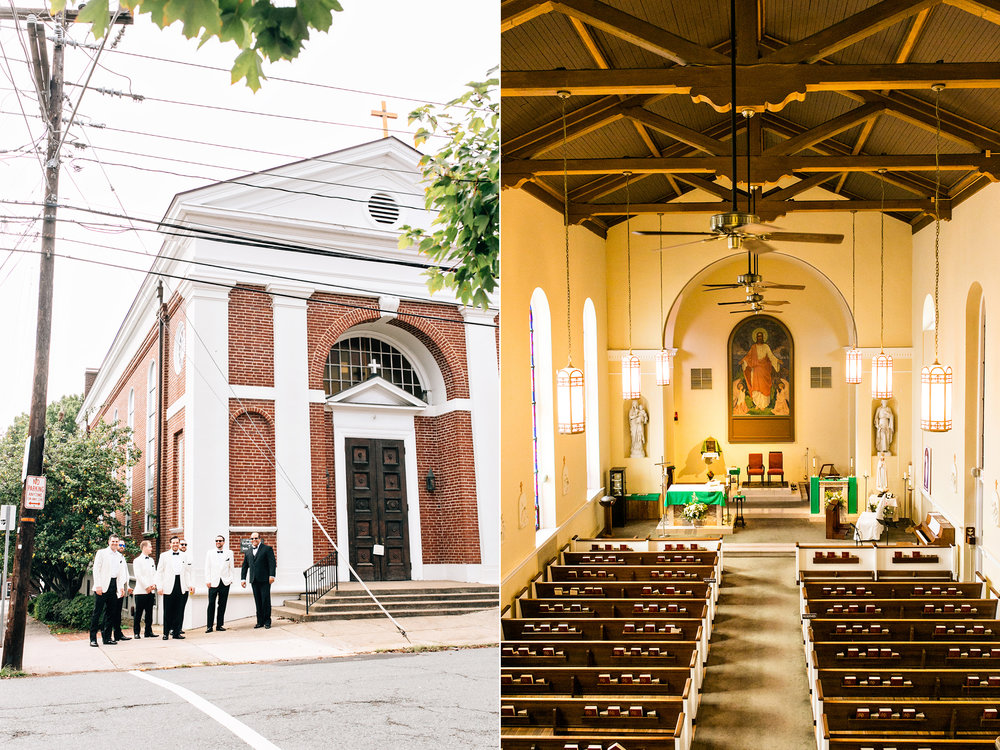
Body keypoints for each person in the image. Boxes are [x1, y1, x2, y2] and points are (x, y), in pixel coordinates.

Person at [89, 533, 128, 647]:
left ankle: (107, 638)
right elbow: (96, 569)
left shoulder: (120, 556)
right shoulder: (101, 553)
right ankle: (93, 639)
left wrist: (120, 587)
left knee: (110, 613)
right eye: (113, 542)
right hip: (102, 585)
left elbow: (120, 573)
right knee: (97, 612)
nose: (115, 544)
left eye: (117, 542)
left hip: (114, 586)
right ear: (109, 542)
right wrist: (98, 585)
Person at [156, 535, 194, 639]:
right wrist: (159, 586)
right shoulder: (164, 556)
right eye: (174, 543)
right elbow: (159, 572)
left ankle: (177, 632)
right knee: (168, 610)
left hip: (181, 585)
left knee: (179, 610)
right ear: (170, 544)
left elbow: (187, 572)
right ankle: (165, 633)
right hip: (168, 586)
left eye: (177, 543)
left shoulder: (184, 556)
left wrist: (190, 584)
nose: (175, 544)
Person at [241, 532, 276, 629]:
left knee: (265, 600)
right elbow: (245, 566)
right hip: (254, 580)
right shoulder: (248, 552)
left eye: (256, 538)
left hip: (265, 579)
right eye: (252, 539)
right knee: (258, 601)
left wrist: (272, 575)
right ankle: (259, 622)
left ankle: (267, 621)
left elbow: (272, 563)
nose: (254, 540)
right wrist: (243, 579)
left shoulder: (267, 549)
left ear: (260, 539)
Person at [740, 329, 781, 410]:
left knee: (764, 387)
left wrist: (777, 360)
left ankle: (763, 405)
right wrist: (743, 360)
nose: (759, 338)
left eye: (761, 336)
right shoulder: (753, 347)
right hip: (755, 370)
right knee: (756, 387)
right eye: (758, 336)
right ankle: (757, 404)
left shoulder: (766, 347)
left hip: (764, 370)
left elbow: (771, 356)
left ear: (763, 337)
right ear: (756, 337)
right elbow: (748, 356)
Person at [205, 534, 234, 633]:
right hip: (213, 582)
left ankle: (219, 625)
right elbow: (207, 568)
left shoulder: (229, 553)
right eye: (217, 541)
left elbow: (231, 567)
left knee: (222, 604)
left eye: (220, 541)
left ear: (224, 542)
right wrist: (207, 580)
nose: (218, 542)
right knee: (211, 604)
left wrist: (230, 579)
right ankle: (209, 626)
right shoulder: (210, 553)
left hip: (225, 582)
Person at [132, 540, 157, 639]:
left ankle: (148, 631)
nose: (151, 548)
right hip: (141, 591)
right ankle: (136, 632)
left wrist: (154, 584)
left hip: (151, 591)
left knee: (149, 613)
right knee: (138, 613)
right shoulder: (137, 561)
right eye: (150, 546)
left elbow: (154, 573)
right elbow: (138, 575)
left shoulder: (151, 560)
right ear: (144, 548)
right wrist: (146, 586)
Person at [178, 539, 193, 634]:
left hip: (185, 587)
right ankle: (172, 628)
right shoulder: (174, 556)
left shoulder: (189, 557)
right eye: (182, 544)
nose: (184, 546)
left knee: (182, 608)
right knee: (175, 608)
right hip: (175, 587)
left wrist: (191, 585)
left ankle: (179, 628)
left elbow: (191, 572)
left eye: (185, 544)